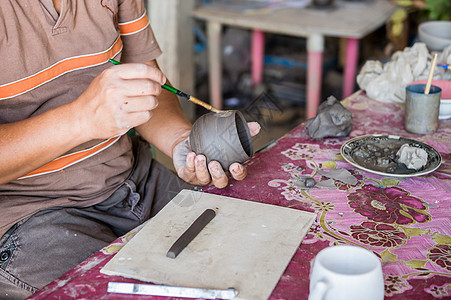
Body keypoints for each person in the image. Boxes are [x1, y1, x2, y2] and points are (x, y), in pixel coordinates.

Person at [0, 1, 260, 298]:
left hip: (133, 180)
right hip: (30, 214)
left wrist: (179, 142)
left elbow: (146, 85)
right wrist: (81, 120)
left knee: (247, 249)